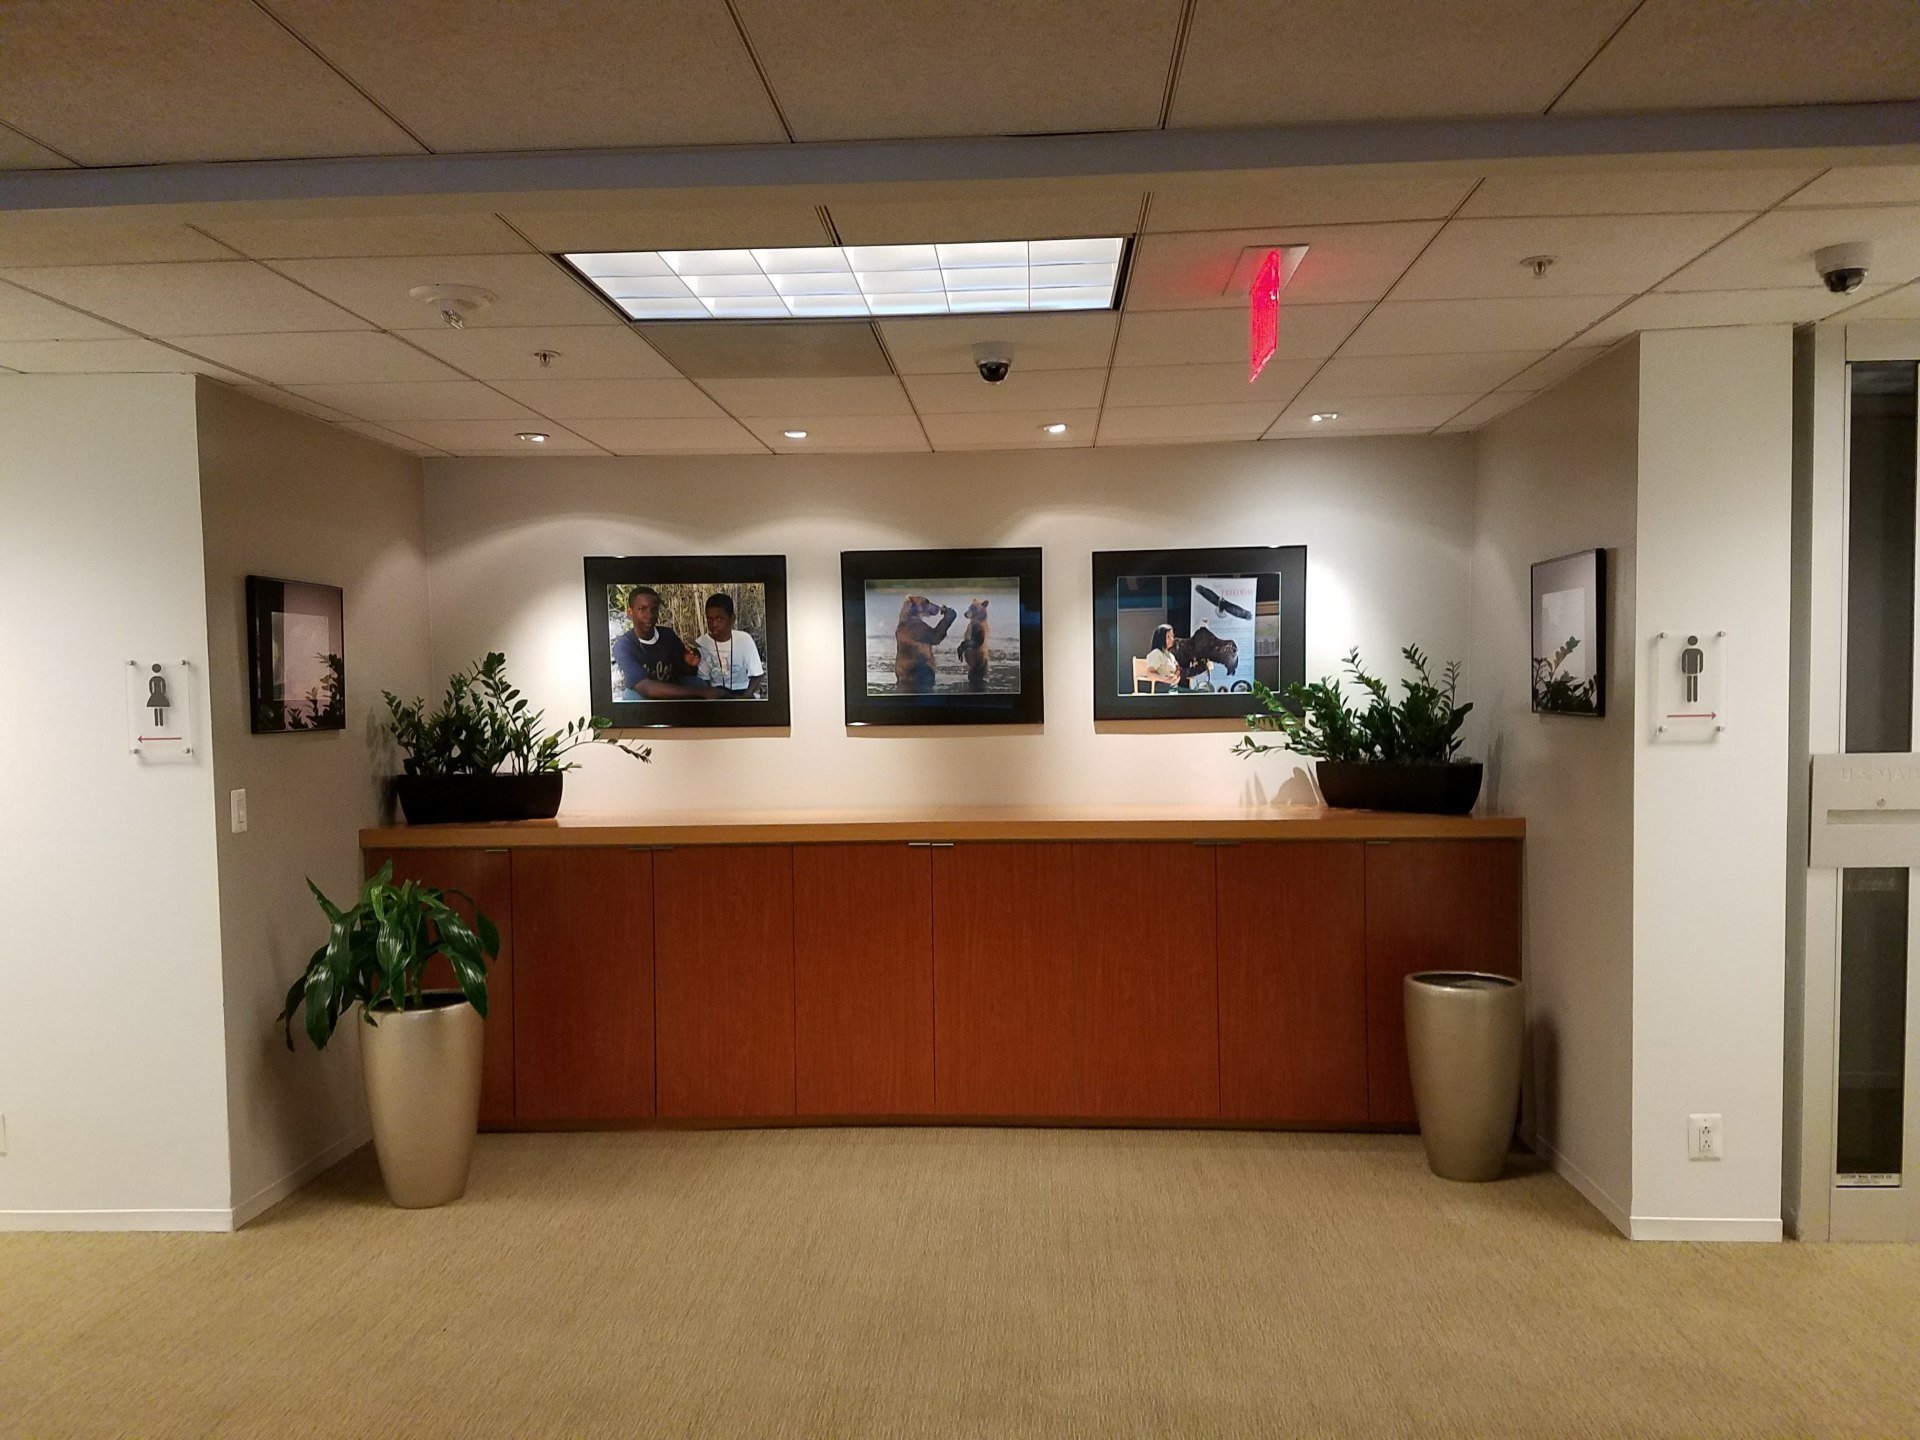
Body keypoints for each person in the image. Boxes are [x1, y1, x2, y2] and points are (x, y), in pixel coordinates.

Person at [612, 586, 714, 700]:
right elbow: (645, 689)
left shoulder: (667, 635)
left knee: (698, 683)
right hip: (646, 693)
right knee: (632, 697)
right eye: (642, 609)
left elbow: (684, 671)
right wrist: (701, 692)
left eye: (654, 609)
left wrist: (690, 663)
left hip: (670, 686)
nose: (650, 615)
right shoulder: (624, 646)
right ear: (630, 612)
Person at [694, 592, 766, 699]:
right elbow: (704, 679)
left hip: (742, 691)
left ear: (732, 619)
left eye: (719, 619)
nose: (713, 624)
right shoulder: (702, 643)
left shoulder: (744, 640)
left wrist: (744, 699)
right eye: (709, 619)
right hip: (716, 692)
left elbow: (757, 675)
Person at [1142, 623, 1182, 690]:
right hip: (1163, 689)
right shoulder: (1156, 653)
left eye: (1172, 636)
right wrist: (1165, 680)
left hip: (1173, 687)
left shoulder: (1170, 655)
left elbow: (1177, 668)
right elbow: (1150, 673)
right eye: (1168, 637)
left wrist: (1176, 676)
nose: (1172, 639)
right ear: (1161, 638)